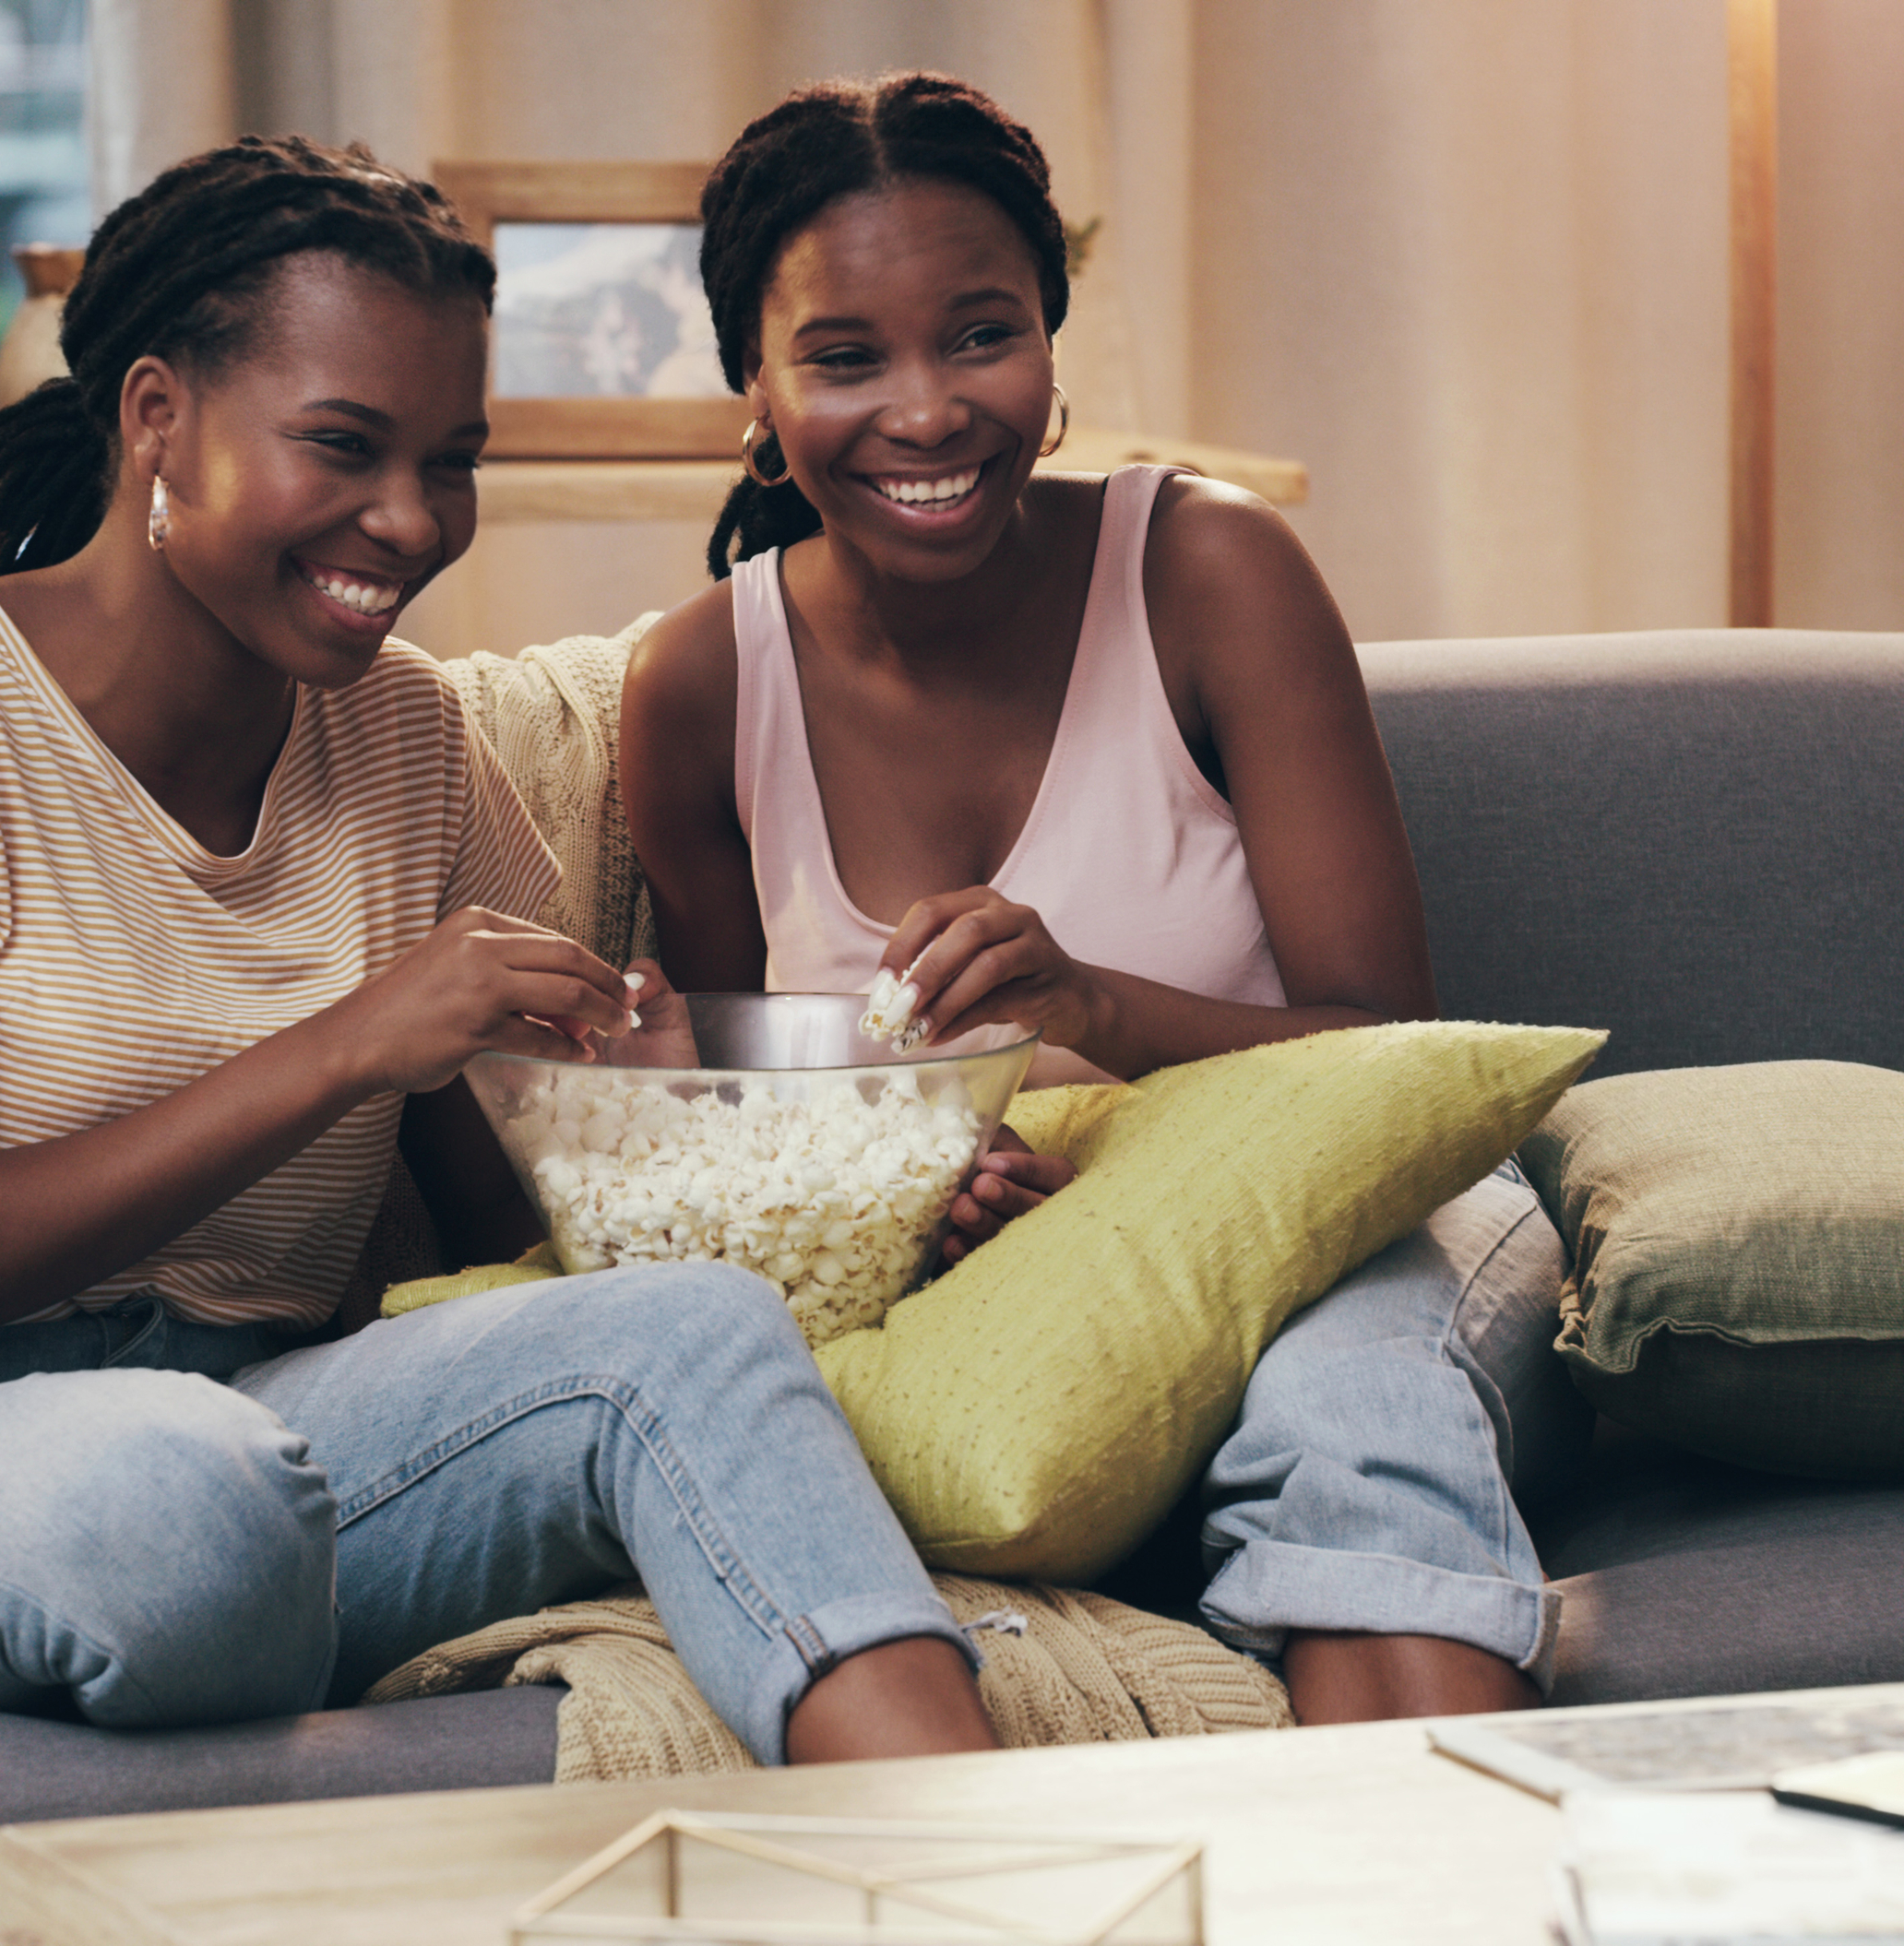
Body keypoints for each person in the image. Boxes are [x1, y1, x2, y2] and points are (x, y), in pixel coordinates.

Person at [0, 136, 994, 1764]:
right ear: (158, 414)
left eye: (452, 460)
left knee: (693, 1331)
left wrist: (754, 1152)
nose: (410, 520)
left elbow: (519, 1216)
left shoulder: (407, 740)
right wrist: (355, 1039)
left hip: (271, 1428)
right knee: (185, 1501)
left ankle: (984, 1859)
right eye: (343, 447)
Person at [619, 76, 1545, 1722]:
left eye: (980, 335)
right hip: (1028, 1297)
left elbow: (1395, 1050)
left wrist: (1095, 1013)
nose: (926, 411)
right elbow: (745, 1111)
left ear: (1049, 344)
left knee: (1356, 1418)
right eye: (845, 357)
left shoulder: (1208, 572)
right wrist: (903, 1174)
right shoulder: (699, 682)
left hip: (1331, 1235)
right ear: (753, 393)